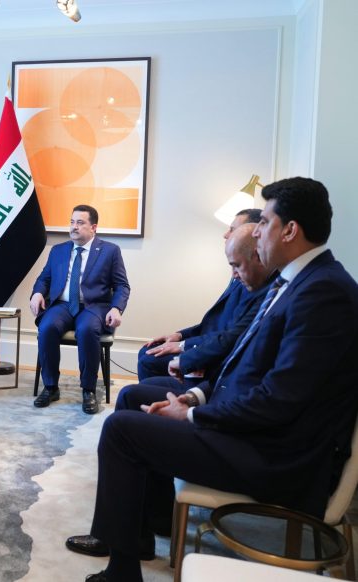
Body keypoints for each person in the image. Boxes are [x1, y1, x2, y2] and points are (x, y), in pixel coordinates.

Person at [67, 177, 358, 582]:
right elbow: (245, 365)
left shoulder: (324, 293)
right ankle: (145, 530)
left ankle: (122, 572)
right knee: (133, 400)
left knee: (121, 431)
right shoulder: (298, 282)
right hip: (256, 433)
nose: (257, 232)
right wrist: (196, 397)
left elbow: (279, 399)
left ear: (290, 230)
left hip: (275, 455)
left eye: (265, 222)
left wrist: (192, 416)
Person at [137, 209, 265, 380]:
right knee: (147, 350)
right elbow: (213, 323)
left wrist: (183, 346)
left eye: (233, 229)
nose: (225, 234)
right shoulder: (239, 274)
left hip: (215, 353)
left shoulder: (251, 281)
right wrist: (180, 335)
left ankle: (173, 394)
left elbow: (230, 335)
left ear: (252, 235)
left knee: (148, 360)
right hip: (206, 341)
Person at [29, 204, 130, 414]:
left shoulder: (110, 251)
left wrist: (116, 308)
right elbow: (44, 279)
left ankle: (88, 390)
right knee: (47, 327)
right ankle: (50, 387)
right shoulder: (58, 250)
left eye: (80, 222)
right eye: (72, 222)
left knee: (87, 330)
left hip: (94, 306)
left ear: (93, 227)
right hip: (63, 305)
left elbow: (122, 285)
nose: (74, 227)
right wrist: (37, 293)